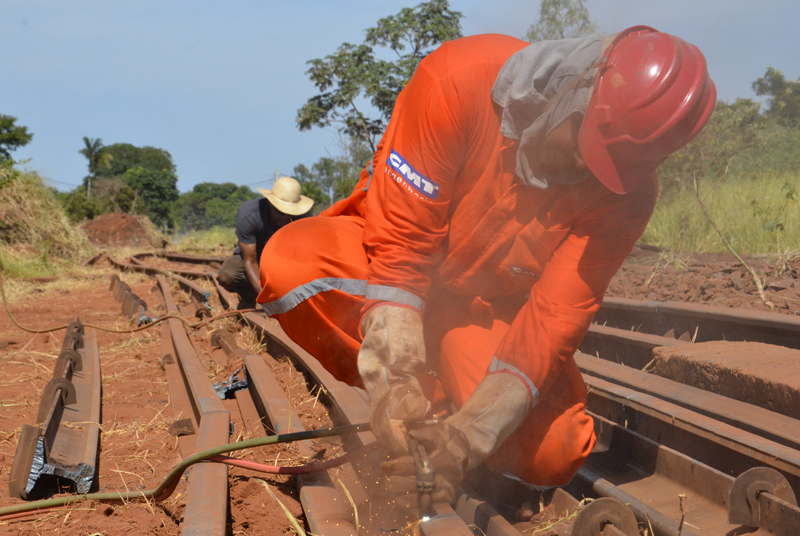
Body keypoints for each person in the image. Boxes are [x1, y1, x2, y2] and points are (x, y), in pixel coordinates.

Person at [256, 27, 716, 503]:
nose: (586, 173)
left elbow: (553, 321)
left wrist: (465, 438)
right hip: (388, 268)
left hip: (477, 308)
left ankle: (444, 428)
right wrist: (395, 386)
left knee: (556, 450)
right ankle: (421, 415)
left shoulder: (626, 196)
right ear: (574, 90)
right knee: (293, 264)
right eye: (587, 151)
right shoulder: (459, 79)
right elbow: (401, 252)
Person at [217, 177, 314, 308]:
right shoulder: (250, 214)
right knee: (227, 275)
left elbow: (306, 257)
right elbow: (250, 261)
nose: (285, 217)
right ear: (270, 203)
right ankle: (248, 296)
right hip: (255, 259)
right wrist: (269, 302)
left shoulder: (304, 217)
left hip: (283, 260)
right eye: (280, 212)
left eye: (289, 213)